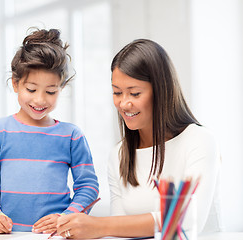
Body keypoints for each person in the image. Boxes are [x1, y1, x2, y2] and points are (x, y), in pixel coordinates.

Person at [55, 39, 222, 239]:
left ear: (161, 91)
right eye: (117, 92)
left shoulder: (199, 141)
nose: (124, 103)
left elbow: (186, 220)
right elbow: (120, 229)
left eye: (134, 93)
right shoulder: (118, 155)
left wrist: (99, 226)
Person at [0, 28, 99, 234]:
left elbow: (88, 186)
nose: (40, 100)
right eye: (31, 89)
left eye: (51, 91)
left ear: (61, 88)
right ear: (15, 84)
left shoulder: (71, 136)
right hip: (9, 236)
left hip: (56, 236)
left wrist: (67, 217)